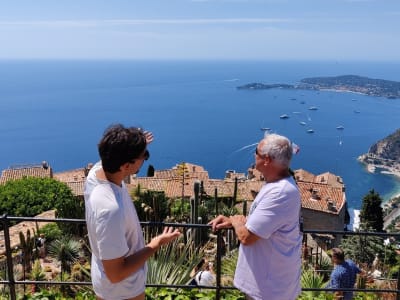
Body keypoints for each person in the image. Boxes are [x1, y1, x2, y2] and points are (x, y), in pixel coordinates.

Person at [84, 124, 181, 300]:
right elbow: (116, 273)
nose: (145, 159)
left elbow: (115, 151)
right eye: (144, 156)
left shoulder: (94, 174)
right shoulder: (110, 209)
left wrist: (136, 143)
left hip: (107, 287)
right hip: (122, 291)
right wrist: (155, 244)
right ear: (125, 166)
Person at [209, 133, 302, 300]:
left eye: (256, 151)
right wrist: (231, 221)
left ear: (266, 160)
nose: (254, 154)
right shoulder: (277, 185)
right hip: (269, 283)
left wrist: (237, 223)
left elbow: (247, 237)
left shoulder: (280, 193)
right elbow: (266, 222)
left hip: (269, 289)